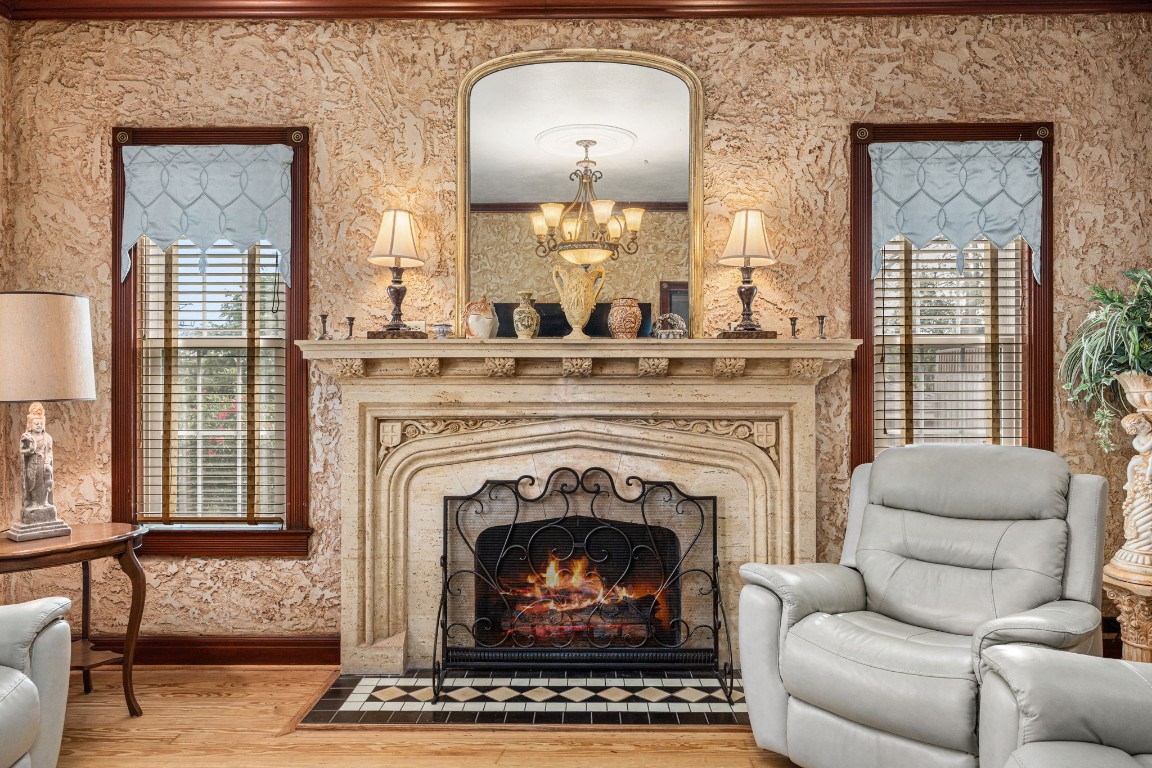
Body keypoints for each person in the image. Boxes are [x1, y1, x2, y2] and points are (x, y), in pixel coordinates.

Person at [20, 402, 55, 512]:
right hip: (32, 464)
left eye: (41, 423)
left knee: (45, 483)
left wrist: (47, 462)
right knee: (33, 483)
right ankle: (34, 502)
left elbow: (49, 452)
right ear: (30, 425)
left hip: (44, 465)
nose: (39, 425)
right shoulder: (27, 437)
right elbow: (21, 450)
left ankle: (44, 502)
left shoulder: (47, 438)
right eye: (36, 423)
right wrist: (29, 450)